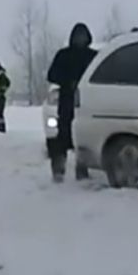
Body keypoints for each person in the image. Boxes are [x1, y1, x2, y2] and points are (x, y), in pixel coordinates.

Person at [47, 22, 98, 182]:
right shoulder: (64, 55)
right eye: (77, 36)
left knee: (84, 136)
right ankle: (58, 169)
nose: (80, 39)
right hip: (67, 100)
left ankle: (82, 168)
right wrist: (67, 81)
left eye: (83, 36)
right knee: (63, 136)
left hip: (87, 102)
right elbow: (51, 75)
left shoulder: (93, 56)